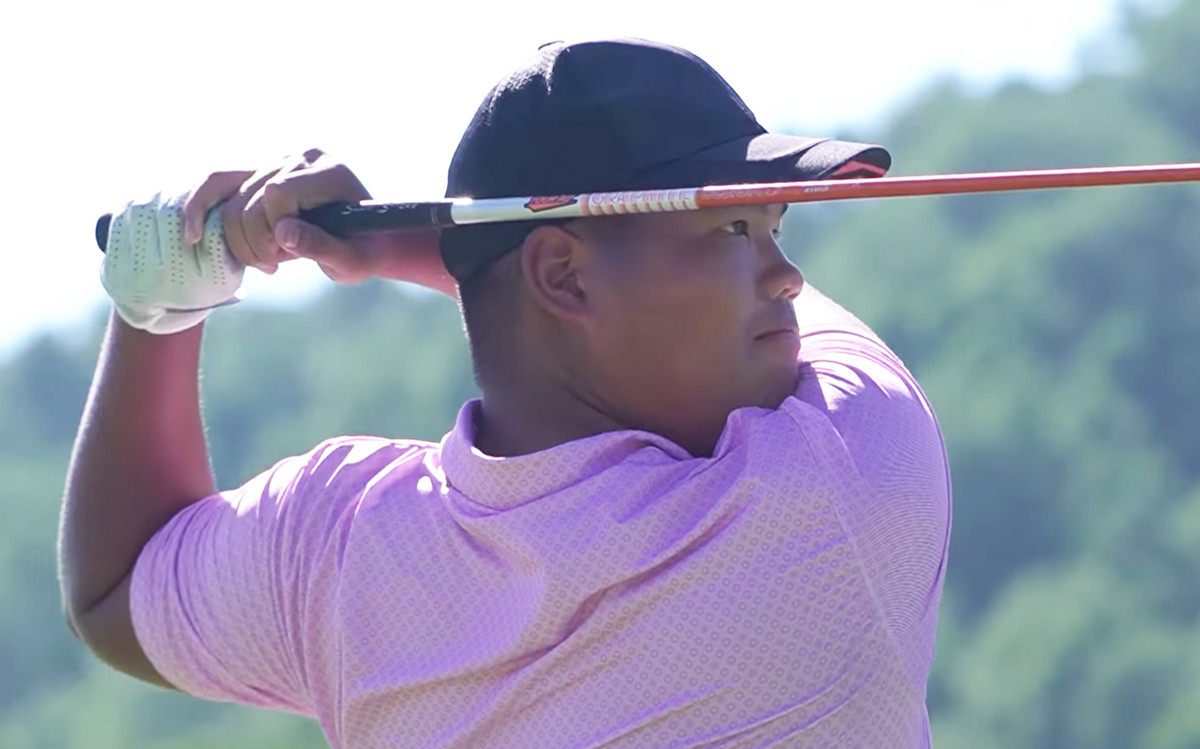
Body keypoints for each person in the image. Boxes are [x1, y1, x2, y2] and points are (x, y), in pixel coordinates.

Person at [59, 38, 951, 748]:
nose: (786, 276)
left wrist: (159, 305)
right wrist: (407, 244)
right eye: (732, 228)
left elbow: (114, 587)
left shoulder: (332, 544)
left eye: (772, 226)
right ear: (562, 276)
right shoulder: (845, 473)